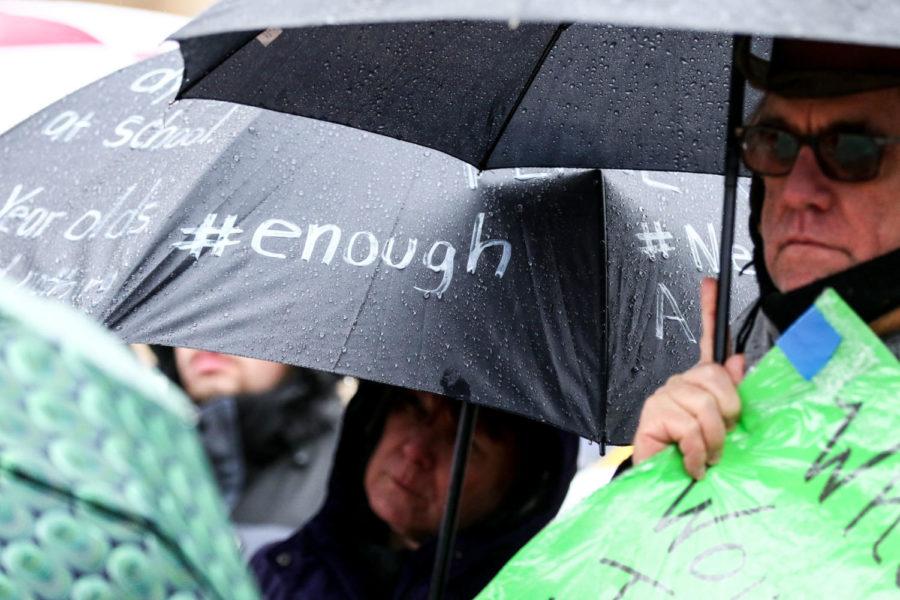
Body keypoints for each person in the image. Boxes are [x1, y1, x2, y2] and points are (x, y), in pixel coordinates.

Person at [632, 39, 900, 479]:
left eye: (853, 151)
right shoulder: (738, 354)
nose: (797, 192)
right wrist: (654, 482)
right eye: (774, 143)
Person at [250, 381, 578, 599]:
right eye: (412, 409)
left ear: (521, 493)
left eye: (465, 443)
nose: (416, 451)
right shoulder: (277, 573)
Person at [160, 347, 343, 554]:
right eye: (190, 315)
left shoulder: (354, 469)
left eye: (240, 315)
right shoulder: (138, 457)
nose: (209, 327)